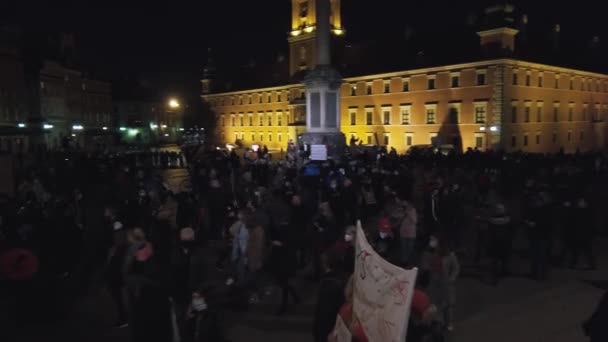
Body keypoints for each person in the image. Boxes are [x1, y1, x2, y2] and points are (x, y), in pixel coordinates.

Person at [313, 252, 346, 342]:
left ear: (325, 264)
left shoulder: (328, 284)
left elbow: (324, 313)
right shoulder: (339, 279)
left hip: (328, 331)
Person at [104, 221, 129, 328]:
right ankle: (123, 317)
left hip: (117, 276)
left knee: (119, 298)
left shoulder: (119, 247)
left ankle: (123, 318)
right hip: (117, 276)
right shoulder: (120, 246)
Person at [487, 203, 512, 285]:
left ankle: (496, 276)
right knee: (501, 259)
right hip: (502, 242)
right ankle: (500, 273)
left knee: (496, 260)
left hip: (496, 242)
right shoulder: (507, 220)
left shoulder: (491, 221)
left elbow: (490, 232)